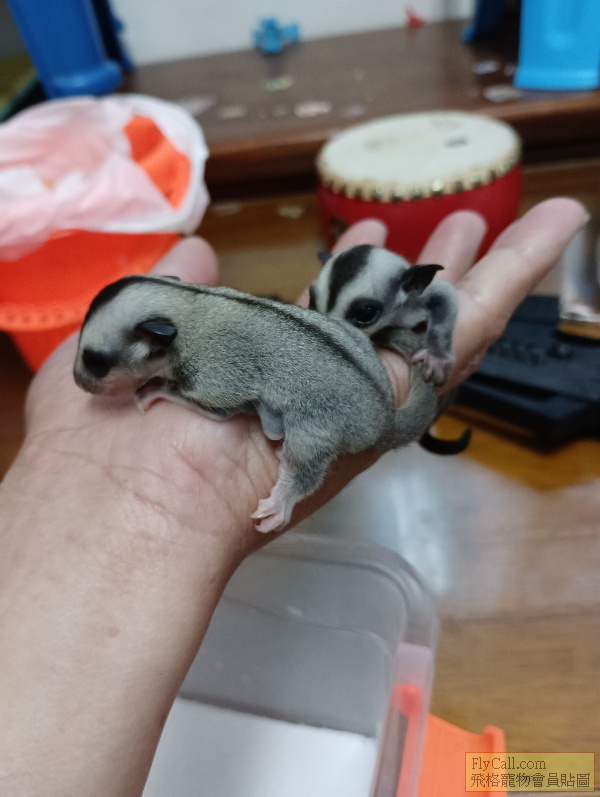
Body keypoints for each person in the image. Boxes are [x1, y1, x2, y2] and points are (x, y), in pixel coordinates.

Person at [0, 198, 588, 795]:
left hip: (342, 414)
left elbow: (222, 397)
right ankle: (561, 774)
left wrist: (185, 399)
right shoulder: (192, 330)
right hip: (486, 767)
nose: (86, 382)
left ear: (157, 342)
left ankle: (563, 775)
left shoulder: (206, 358)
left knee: (304, 439)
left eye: (99, 363)